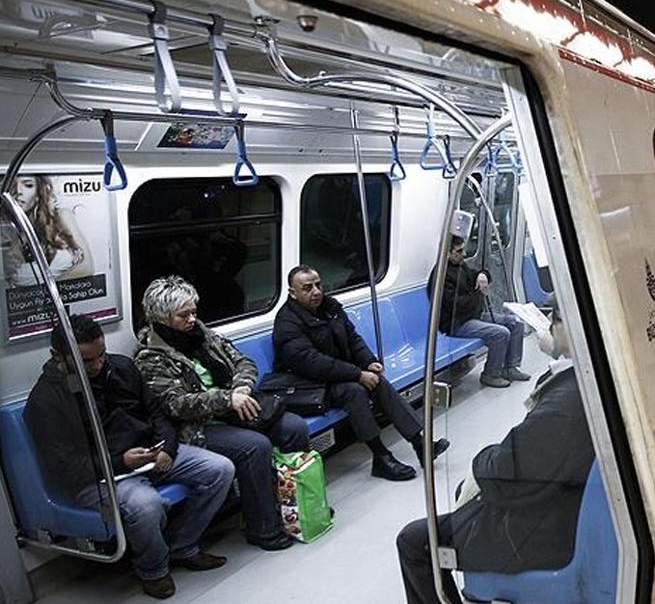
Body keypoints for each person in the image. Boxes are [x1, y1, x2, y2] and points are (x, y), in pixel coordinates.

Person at [396, 300, 595, 604]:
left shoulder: (562, 405)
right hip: (561, 504)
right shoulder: (588, 379)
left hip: (540, 531)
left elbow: (504, 469)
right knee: (463, 493)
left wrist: (482, 459)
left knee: (414, 540)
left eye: (554, 321)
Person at [25, 315, 234, 599]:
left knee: (219, 469)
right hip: (100, 476)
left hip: (147, 453)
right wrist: (120, 461)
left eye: (101, 355)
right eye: (86, 361)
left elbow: (157, 412)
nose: (98, 365)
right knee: (146, 505)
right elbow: (67, 467)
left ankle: (182, 545)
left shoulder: (121, 367)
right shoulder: (45, 401)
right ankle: (154, 570)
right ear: (57, 356)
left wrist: (167, 448)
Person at [135, 275, 309, 551]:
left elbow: (243, 362)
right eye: (183, 315)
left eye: (194, 312)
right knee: (255, 446)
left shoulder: (204, 335)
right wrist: (227, 399)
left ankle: (299, 508)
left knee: (294, 427)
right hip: (198, 427)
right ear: (162, 318)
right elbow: (175, 405)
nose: (192, 319)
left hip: (235, 407)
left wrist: (241, 387)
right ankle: (263, 528)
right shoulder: (150, 358)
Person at [272, 265, 449, 481]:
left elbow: (353, 339)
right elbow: (311, 363)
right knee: (354, 390)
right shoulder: (287, 323)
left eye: (318, 285)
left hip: (334, 375)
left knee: (377, 381)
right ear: (293, 293)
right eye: (307, 288)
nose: (316, 291)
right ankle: (381, 457)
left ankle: (421, 444)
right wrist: (357, 374)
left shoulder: (330, 307)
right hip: (306, 384)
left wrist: (369, 362)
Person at [427, 236, 529, 389]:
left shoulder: (460, 266)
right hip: (456, 323)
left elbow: (477, 275)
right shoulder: (440, 276)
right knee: (500, 333)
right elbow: (456, 306)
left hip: (473, 316)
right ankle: (491, 374)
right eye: (459, 251)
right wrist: (479, 294)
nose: (464, 254)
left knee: (515, 323)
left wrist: (483, 275)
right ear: (446, 253)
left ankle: (510, 367)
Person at [3, 174, 93, 286]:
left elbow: (87, 268)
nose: (18, 191)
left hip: (67, 293)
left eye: (28, 185)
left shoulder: (61, 216)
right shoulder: (7, 229)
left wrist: (49, 287)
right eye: (13, 186)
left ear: (38, 193)